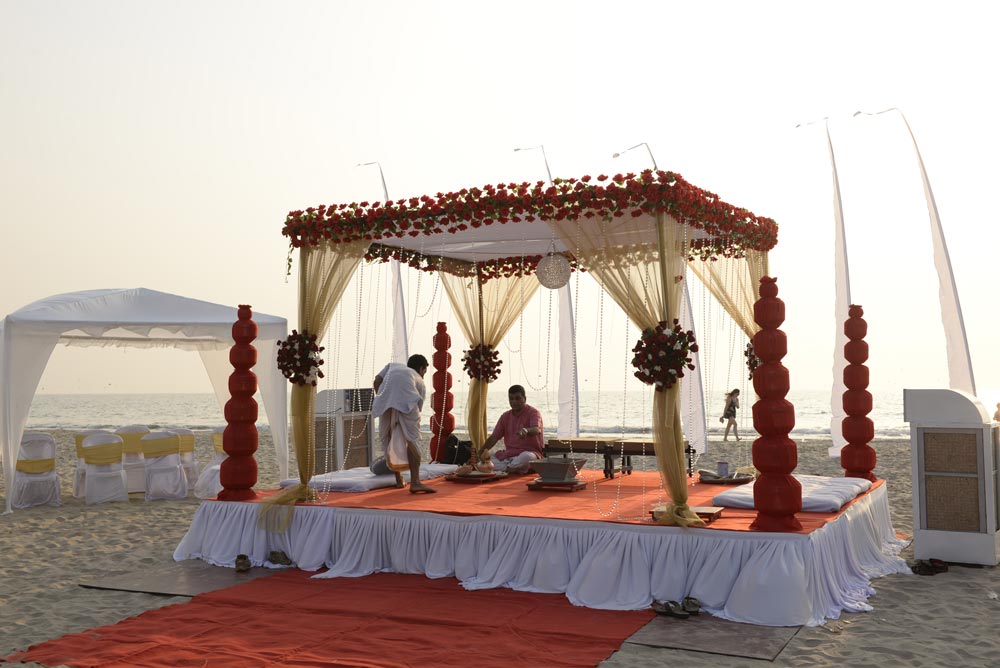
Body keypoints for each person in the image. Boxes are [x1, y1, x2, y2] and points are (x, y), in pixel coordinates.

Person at [368, 354, 436, 494]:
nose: (423, 375)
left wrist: (383, 397)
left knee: (388, 438)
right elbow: (418, 407)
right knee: (412, 440)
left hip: (385, 402)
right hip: (408, 402)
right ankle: (415, 482)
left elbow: (377, 381)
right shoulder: (419, 380)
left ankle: (399, 480)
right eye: (424, 372)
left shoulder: (392, 366)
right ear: (421, 369)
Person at [478, 385, 544, 473]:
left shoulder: (534, 413)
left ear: (524, 398)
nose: (514, 401)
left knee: (527, 457)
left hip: (529, 453)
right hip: (509, 455)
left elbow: (536, 429)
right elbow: (494, 437)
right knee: (488, 457)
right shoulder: (505, 416)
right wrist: (481, 452)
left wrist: (526, 431)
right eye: (511, 399)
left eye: (517, 398)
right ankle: (510, 468)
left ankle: (506, 468)